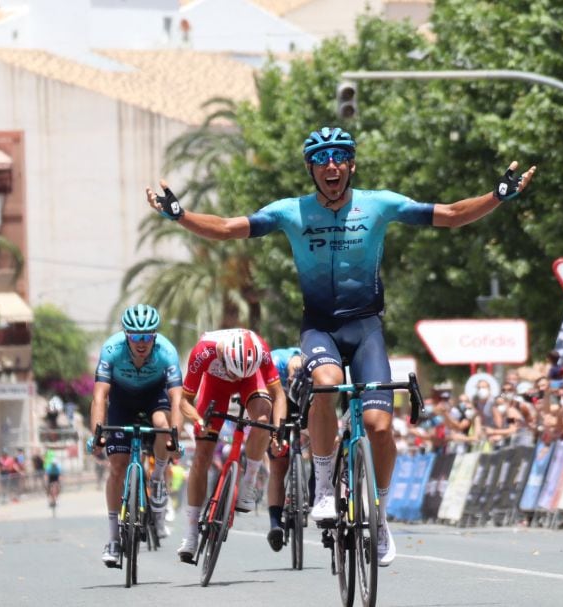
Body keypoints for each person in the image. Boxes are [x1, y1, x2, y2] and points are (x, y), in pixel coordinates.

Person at [147, 126, 535, 567]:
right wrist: (180, 214)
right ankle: (326, 487)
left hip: (366, 327)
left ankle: (381, 518)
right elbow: (227, 227)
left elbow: (449, 213)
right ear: (311, 168)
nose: (332, 165)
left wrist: (497, 197)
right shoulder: (291, 212)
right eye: (322, 158)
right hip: (320, 329)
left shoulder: (379, 204)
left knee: (379, 425)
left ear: (351, 164)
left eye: (340, 157)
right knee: (326, 383)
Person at [175, 328, 287, 563]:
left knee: (263, 419)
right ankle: (191, 533)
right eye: (232, 372)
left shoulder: (261, 350)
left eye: (239, 374)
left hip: (252, 382)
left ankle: (249, 482)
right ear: (223, 356)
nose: (235, 378)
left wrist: (279, 430)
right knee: (202, 456)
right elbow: (184, 401)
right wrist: (197, 420)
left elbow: (279, 395)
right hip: (215, 385)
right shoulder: (203, 351)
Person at [89, 304, 183, 568]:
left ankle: (158, 478)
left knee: (162, 423)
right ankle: (113, 540)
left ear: (154, 335)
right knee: (117, 468)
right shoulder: (111, 349)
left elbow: (177, 399)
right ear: (126, 335)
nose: (141, 343)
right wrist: (97, 433)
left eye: (146, 336)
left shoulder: (167, 352)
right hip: (121, 400)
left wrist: (175, 438)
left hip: (155, 396)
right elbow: (99, 395)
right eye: (135, 336)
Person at [265, 346, 303, 552]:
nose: (291, 379)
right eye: (290, 377)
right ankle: (275, 524)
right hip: (276, 399)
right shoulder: (274, 361)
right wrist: (275, 436)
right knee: (278, 464)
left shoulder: (309, 364)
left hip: (303, 398)